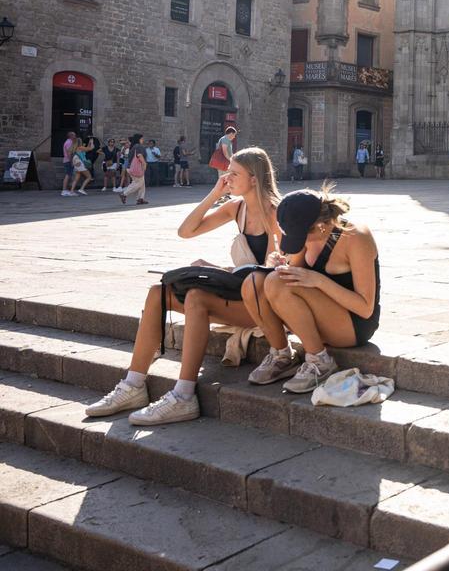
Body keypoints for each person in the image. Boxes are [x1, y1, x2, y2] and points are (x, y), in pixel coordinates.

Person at [84, 147, 282, 425]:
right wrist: (215, 194)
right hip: (236, 292)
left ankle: (184, 395)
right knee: (159, 293)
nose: (227, 177)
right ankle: (133, 384)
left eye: (234, 173)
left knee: (197, 299)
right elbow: (186, 231)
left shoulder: (275, 213)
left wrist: (219, 271)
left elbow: (271, 272)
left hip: (261, 306)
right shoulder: (237, 208)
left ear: (254, 178)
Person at [242, 186, 381, 393]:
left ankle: (321, 361)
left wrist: (318, 281)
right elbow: (292, 274)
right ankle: (281, 356)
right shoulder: (309, 232)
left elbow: (365, 308)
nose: (299, 243)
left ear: (320, 225)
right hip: (322, 315)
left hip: (354, 325)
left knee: (274, 282)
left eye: (301, 236)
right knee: (255, 281)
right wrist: (279, 264)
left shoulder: (355, 236)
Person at [120, 134, 149, 206]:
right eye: (142, 139)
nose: (143, 140)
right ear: (138, 139)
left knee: (142, 183)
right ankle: (124, 194)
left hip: (131, 167)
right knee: (138, 183)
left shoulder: (133, 146)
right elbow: (139, 155)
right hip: (137, 168)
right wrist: (144, 164)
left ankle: (140, 199)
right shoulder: (138, 146)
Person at [60, 131, 77, 197]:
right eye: (74, 135)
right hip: (68, 161)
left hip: (67, 160)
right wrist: (71, 161)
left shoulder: (68, 142)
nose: (75, 136)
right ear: (71, 136)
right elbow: (69, 153)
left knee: (69, 175)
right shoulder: (69, 143)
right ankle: (64, 190)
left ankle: (66, 190)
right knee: (68, 175)